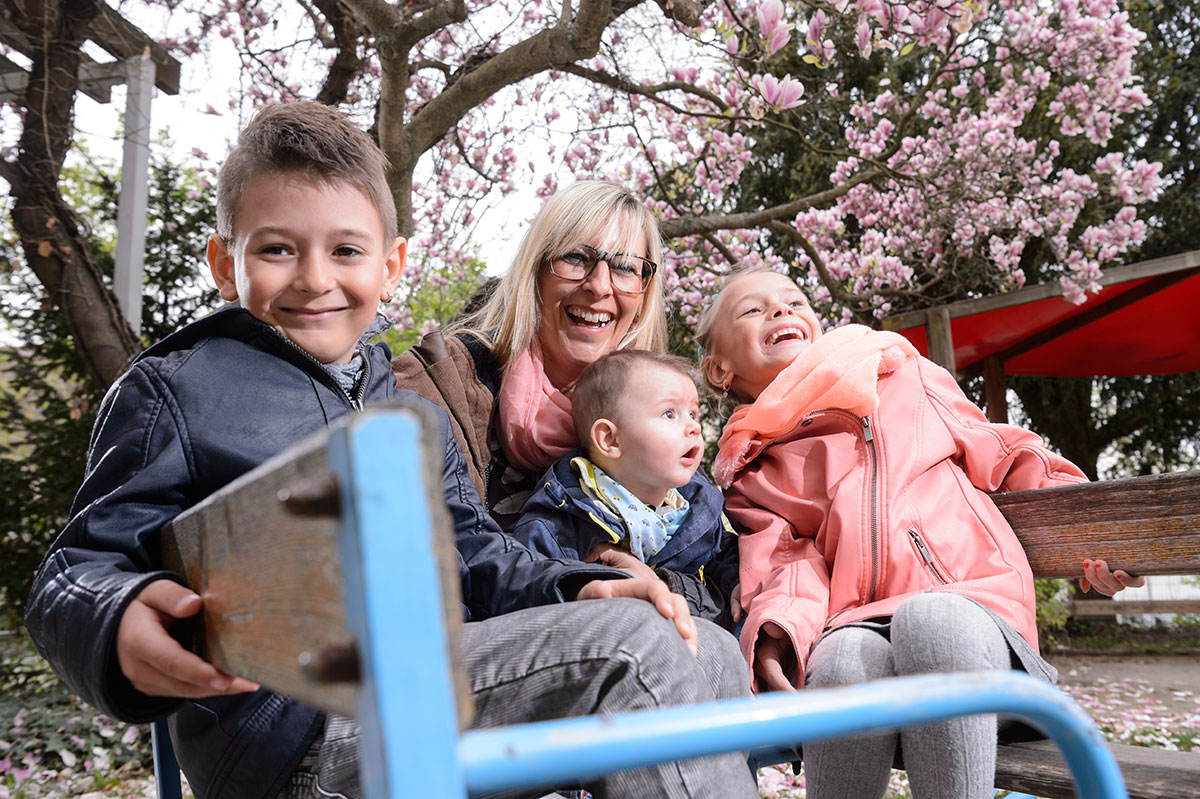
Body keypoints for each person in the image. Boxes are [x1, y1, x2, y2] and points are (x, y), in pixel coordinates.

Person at [24, 104, 758, 799]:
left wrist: (574, 584)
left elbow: (479, 558)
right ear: (225, 262)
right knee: (635, 648)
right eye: (278, 249)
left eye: (346, 250)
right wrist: (120, 612)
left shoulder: (408, 416)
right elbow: (75, 571)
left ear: (391, 265)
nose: (315, 278)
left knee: (703, 647)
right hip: (288, 725)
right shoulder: (178, 390)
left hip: (414, 684)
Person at [695, 266, 1144, 799]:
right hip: (864, 624)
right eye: (753, 310)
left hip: (979, 616)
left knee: (930, 618)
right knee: (839, 660)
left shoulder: (899, 377)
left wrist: (1098, 535)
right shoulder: (755, 468)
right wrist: (775, 631)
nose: (781, 311)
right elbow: (786, 565)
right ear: (720, 369)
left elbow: (1003, 452)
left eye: (795, 301)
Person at [512, 349, 740, 626]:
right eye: (669, 413)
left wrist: (741, 584)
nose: (693, 427)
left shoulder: (697, 511)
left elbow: (724, 563)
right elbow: (531, 593)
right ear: (610, 440)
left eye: (693, 413)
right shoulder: (563, 519)